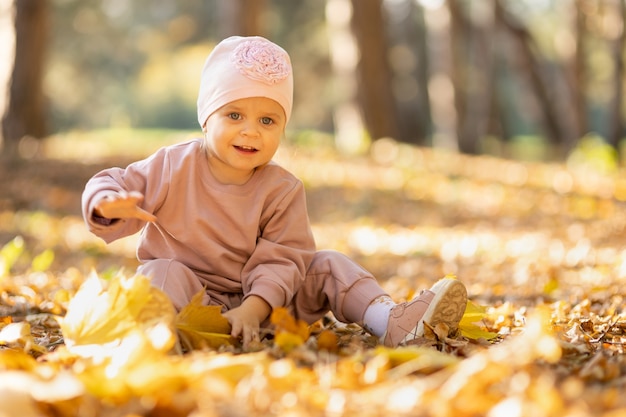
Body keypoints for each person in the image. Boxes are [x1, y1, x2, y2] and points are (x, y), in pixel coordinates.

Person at [81, 36, 467, 349]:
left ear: (282, 128)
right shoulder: (171, 165)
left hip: (266, 305)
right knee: (160, 272)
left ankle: (392, 321)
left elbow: (283, 260)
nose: (251, 131)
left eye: (268, 120)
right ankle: (155, 336)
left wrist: (254, 308)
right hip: (190, 300)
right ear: (206, 117)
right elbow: (115, 181)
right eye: (234, 115)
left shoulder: (281, 189)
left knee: (328, 264)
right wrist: (105, 204)